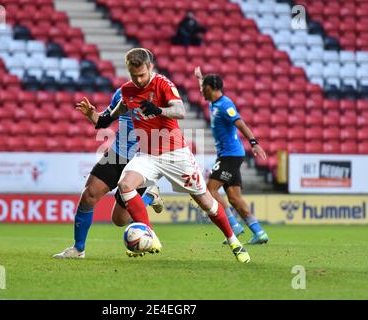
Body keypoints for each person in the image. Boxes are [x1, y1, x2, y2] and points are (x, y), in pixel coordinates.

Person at [110, 48, 250, 263]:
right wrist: (98, 117)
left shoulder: (163, 84)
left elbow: (180, 110)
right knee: (125, 185)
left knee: (205, 201)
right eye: (133, 75)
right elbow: (118, 110)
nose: (138, 80)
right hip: (147, 154)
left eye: (142, 75)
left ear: (151, 68)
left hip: (176, 155)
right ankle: (150, 235)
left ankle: (234, 241)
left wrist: (159, 110)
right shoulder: (127, 90)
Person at [53, 88, 164, 259]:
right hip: (116, 155)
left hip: (141, 161)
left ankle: (149, 195)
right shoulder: (122, 93)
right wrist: (92, 114)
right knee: (89, 194)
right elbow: (104, 120)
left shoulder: (159, 93)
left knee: (119, 220)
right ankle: (78, 249)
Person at [194, 67, 270, 244]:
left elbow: (241, 124)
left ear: (211, 88)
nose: (200, 90)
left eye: (202, 87)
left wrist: (254, 143)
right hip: (230, 155)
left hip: (230, 156)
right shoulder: (214, 102)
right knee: (235, 198)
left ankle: (232, 225)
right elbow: (203, 87)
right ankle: (259, 232)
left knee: (209, 189)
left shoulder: (225, 105)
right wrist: (200, 78)